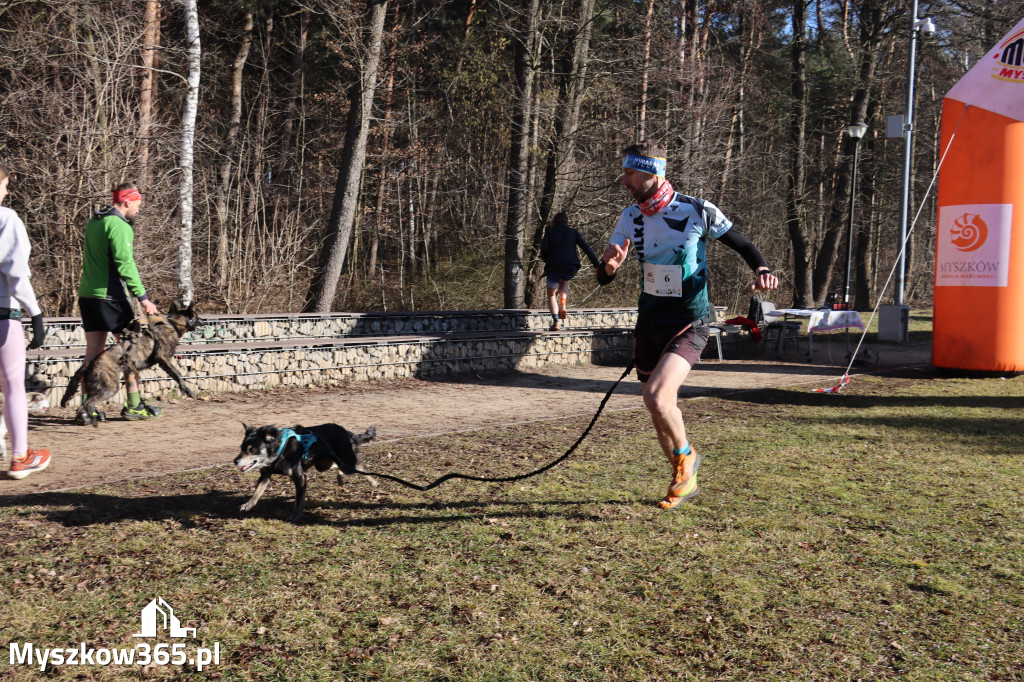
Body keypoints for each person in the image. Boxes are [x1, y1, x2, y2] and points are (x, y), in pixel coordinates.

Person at [595, 140, 778, 510]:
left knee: (657, 397)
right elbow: (604, 277)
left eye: (630, 172)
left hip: (690, 320)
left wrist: (762, 269)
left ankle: (685, 461)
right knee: (659, 406)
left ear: (651, 172)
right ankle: (684, 473)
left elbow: (743, 244)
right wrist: (610, 267)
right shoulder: (630, 216)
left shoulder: (697, 209)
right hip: (650, 322)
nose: (623, 180)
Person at [76, 182, 161, 422]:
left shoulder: (95, 221)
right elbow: (126, 265)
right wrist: (143, 298)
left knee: (92, 352)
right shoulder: (119, 226)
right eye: (137, 204)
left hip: (88, 296)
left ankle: (85, 408)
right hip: (111, 297)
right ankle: (134, 405)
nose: (138, 209)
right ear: (126, 201)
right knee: (131, 351)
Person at [0, 162, 51, 478]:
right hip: (4, 315)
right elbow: (16, 274)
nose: (7, 191)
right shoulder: (6, 219)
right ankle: (20, 457)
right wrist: (35, 313)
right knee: (14, 386)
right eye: (5, 184)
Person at [540, 212, 600, 331]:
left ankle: (556, 322)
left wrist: (546, 257)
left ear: (554, 221)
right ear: (567, 222)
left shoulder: (549, 231)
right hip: (570, 266)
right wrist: (597, 265)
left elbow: (544, 248)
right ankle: (563, 302)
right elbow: (586, 248)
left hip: (553, 265)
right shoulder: (573, 232)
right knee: (564, 281)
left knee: (551, 294)